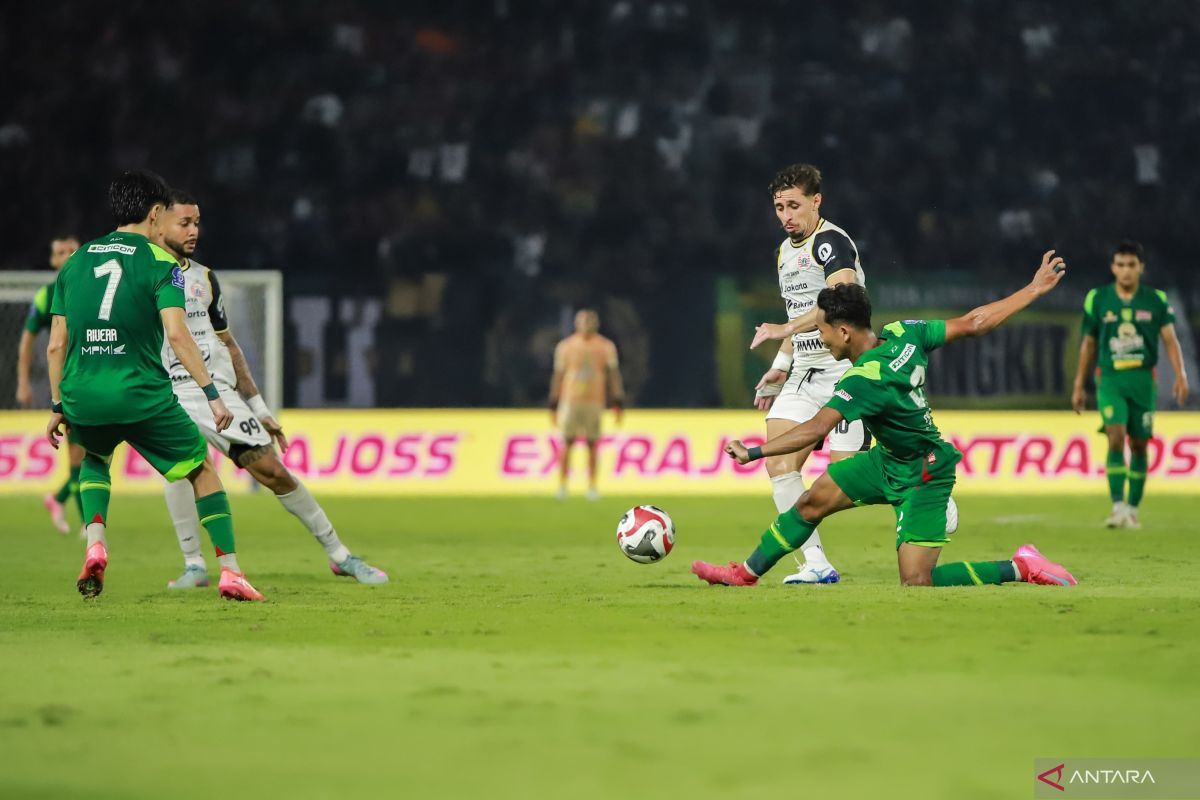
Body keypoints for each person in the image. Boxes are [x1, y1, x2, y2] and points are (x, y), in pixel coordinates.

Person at [694, 250, 1077, 588]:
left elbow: (814, 429)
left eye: (823, 331)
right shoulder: (903, 334)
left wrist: (755, 451)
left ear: (843, 331)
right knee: (812, 502)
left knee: (916, 581)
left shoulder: (863, 379)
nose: (821, 340)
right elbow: (974, 322)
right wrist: (1032, 290)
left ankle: (1019, 567)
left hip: (923, 471)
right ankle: (744, 574)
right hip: (887, 460)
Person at [45, 170, 262, 601]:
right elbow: (179, 336)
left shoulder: (76, 260)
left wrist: (56, 404)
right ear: (156, 213)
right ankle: (231, 572)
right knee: (201, 469)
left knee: (94, 459)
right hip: (141, 393)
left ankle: (96, 545)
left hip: (82, 392)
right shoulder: (162, 263)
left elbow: (56, 344)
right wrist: (213, 394)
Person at [155, 190, 387, 588]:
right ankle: (194, 564)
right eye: (185, 223)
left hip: (219, 392)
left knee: (272, 470)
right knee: (185, 470)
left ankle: (340, 554)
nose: (194, 231)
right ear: (159, 222)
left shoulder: (205, 278)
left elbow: (228, 344)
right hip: (170, 391)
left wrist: (258, 406)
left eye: (197, 223)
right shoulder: (142, 274)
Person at [749, 163, 958, 584]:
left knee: (845, 471)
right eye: (778, 207)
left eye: (794, 205)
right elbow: (798, 311)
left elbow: (838, 301)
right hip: (804, 370)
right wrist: (780, 364)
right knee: (780, 463)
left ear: (816, 201)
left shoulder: (831, 243)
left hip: (842, 369)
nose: (786, 215)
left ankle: (930, 494)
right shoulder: (783, 252)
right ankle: (816, 564)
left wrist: (783, 330)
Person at [1071, 240, 1188, 528]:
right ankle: (1117, 507)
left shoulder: (1156, 299)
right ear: (1113, 267)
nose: (1125, 271)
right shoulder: (1097, 298)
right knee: (1114, 436)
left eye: (1131, 265)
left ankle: (1132, 510)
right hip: (1110, 378)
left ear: (1141, 268)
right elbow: (1088, 343)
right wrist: (1078, 384)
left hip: (1142, 380)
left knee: (1138, 444)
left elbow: (1170, 340)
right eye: (1120, 265)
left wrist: (1180, 374)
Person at [17, 234, 85, 534]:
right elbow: (27, 341)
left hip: (99, 378)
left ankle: (59, 499)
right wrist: (23, 382)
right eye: (61, 252)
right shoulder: (47, 296)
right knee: (81, 452)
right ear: (53, 261)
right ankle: (87, 523)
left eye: (73, 250)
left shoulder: (94, 287)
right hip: (71, 383)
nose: (68, 255)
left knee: (89, 451)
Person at [548, 309, 624, 500]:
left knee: (592, 444)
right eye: (584, 321)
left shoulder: (606, 346)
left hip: (594, 401)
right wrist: (554, 401)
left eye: (591, 321)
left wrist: (617, 399)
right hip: (570, 400)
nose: (587, 324)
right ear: (576, 323)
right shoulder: (566, 346)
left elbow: (613, 374)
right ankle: (563, 486)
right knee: (567, 442)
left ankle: (592, 486)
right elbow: (558, 375)